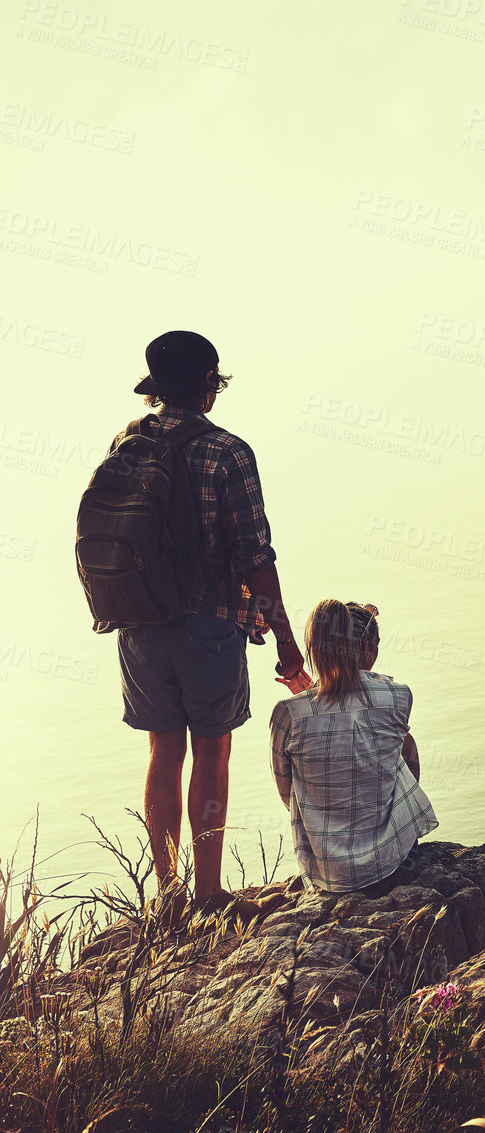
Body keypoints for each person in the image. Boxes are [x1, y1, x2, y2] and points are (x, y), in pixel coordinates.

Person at [103, 330, 304, 905]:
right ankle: (209, 893)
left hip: (140, 623)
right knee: (211, 754)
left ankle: (167, 894)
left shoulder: (126, 443)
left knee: (163, 752)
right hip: (211, 624)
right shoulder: (228, 451)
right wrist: (286, 643)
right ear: (206, 384)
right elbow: (254, 557)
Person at [270, 600, 438, 894]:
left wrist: (310, 697)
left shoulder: (288, 713)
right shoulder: (397, 697)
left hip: (328, 873)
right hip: (393, 863)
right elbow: (357, 720)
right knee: (400, 743)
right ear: (368, 649)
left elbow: (288, 795)